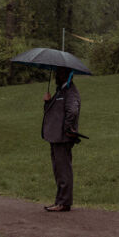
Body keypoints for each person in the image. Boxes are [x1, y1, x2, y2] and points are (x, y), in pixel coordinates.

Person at [42, 66, 81, 212]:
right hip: (55, 137)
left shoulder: (70, 91)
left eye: (59, 73)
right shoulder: (61, 90)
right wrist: (47, 101)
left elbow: (73, 111)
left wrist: (67, 129)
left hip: (63, 138)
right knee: (58, 169)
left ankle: (64, 203)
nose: (56, 76)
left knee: (63, 169)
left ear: (66, 74)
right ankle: (60, 201)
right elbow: (52, 112)